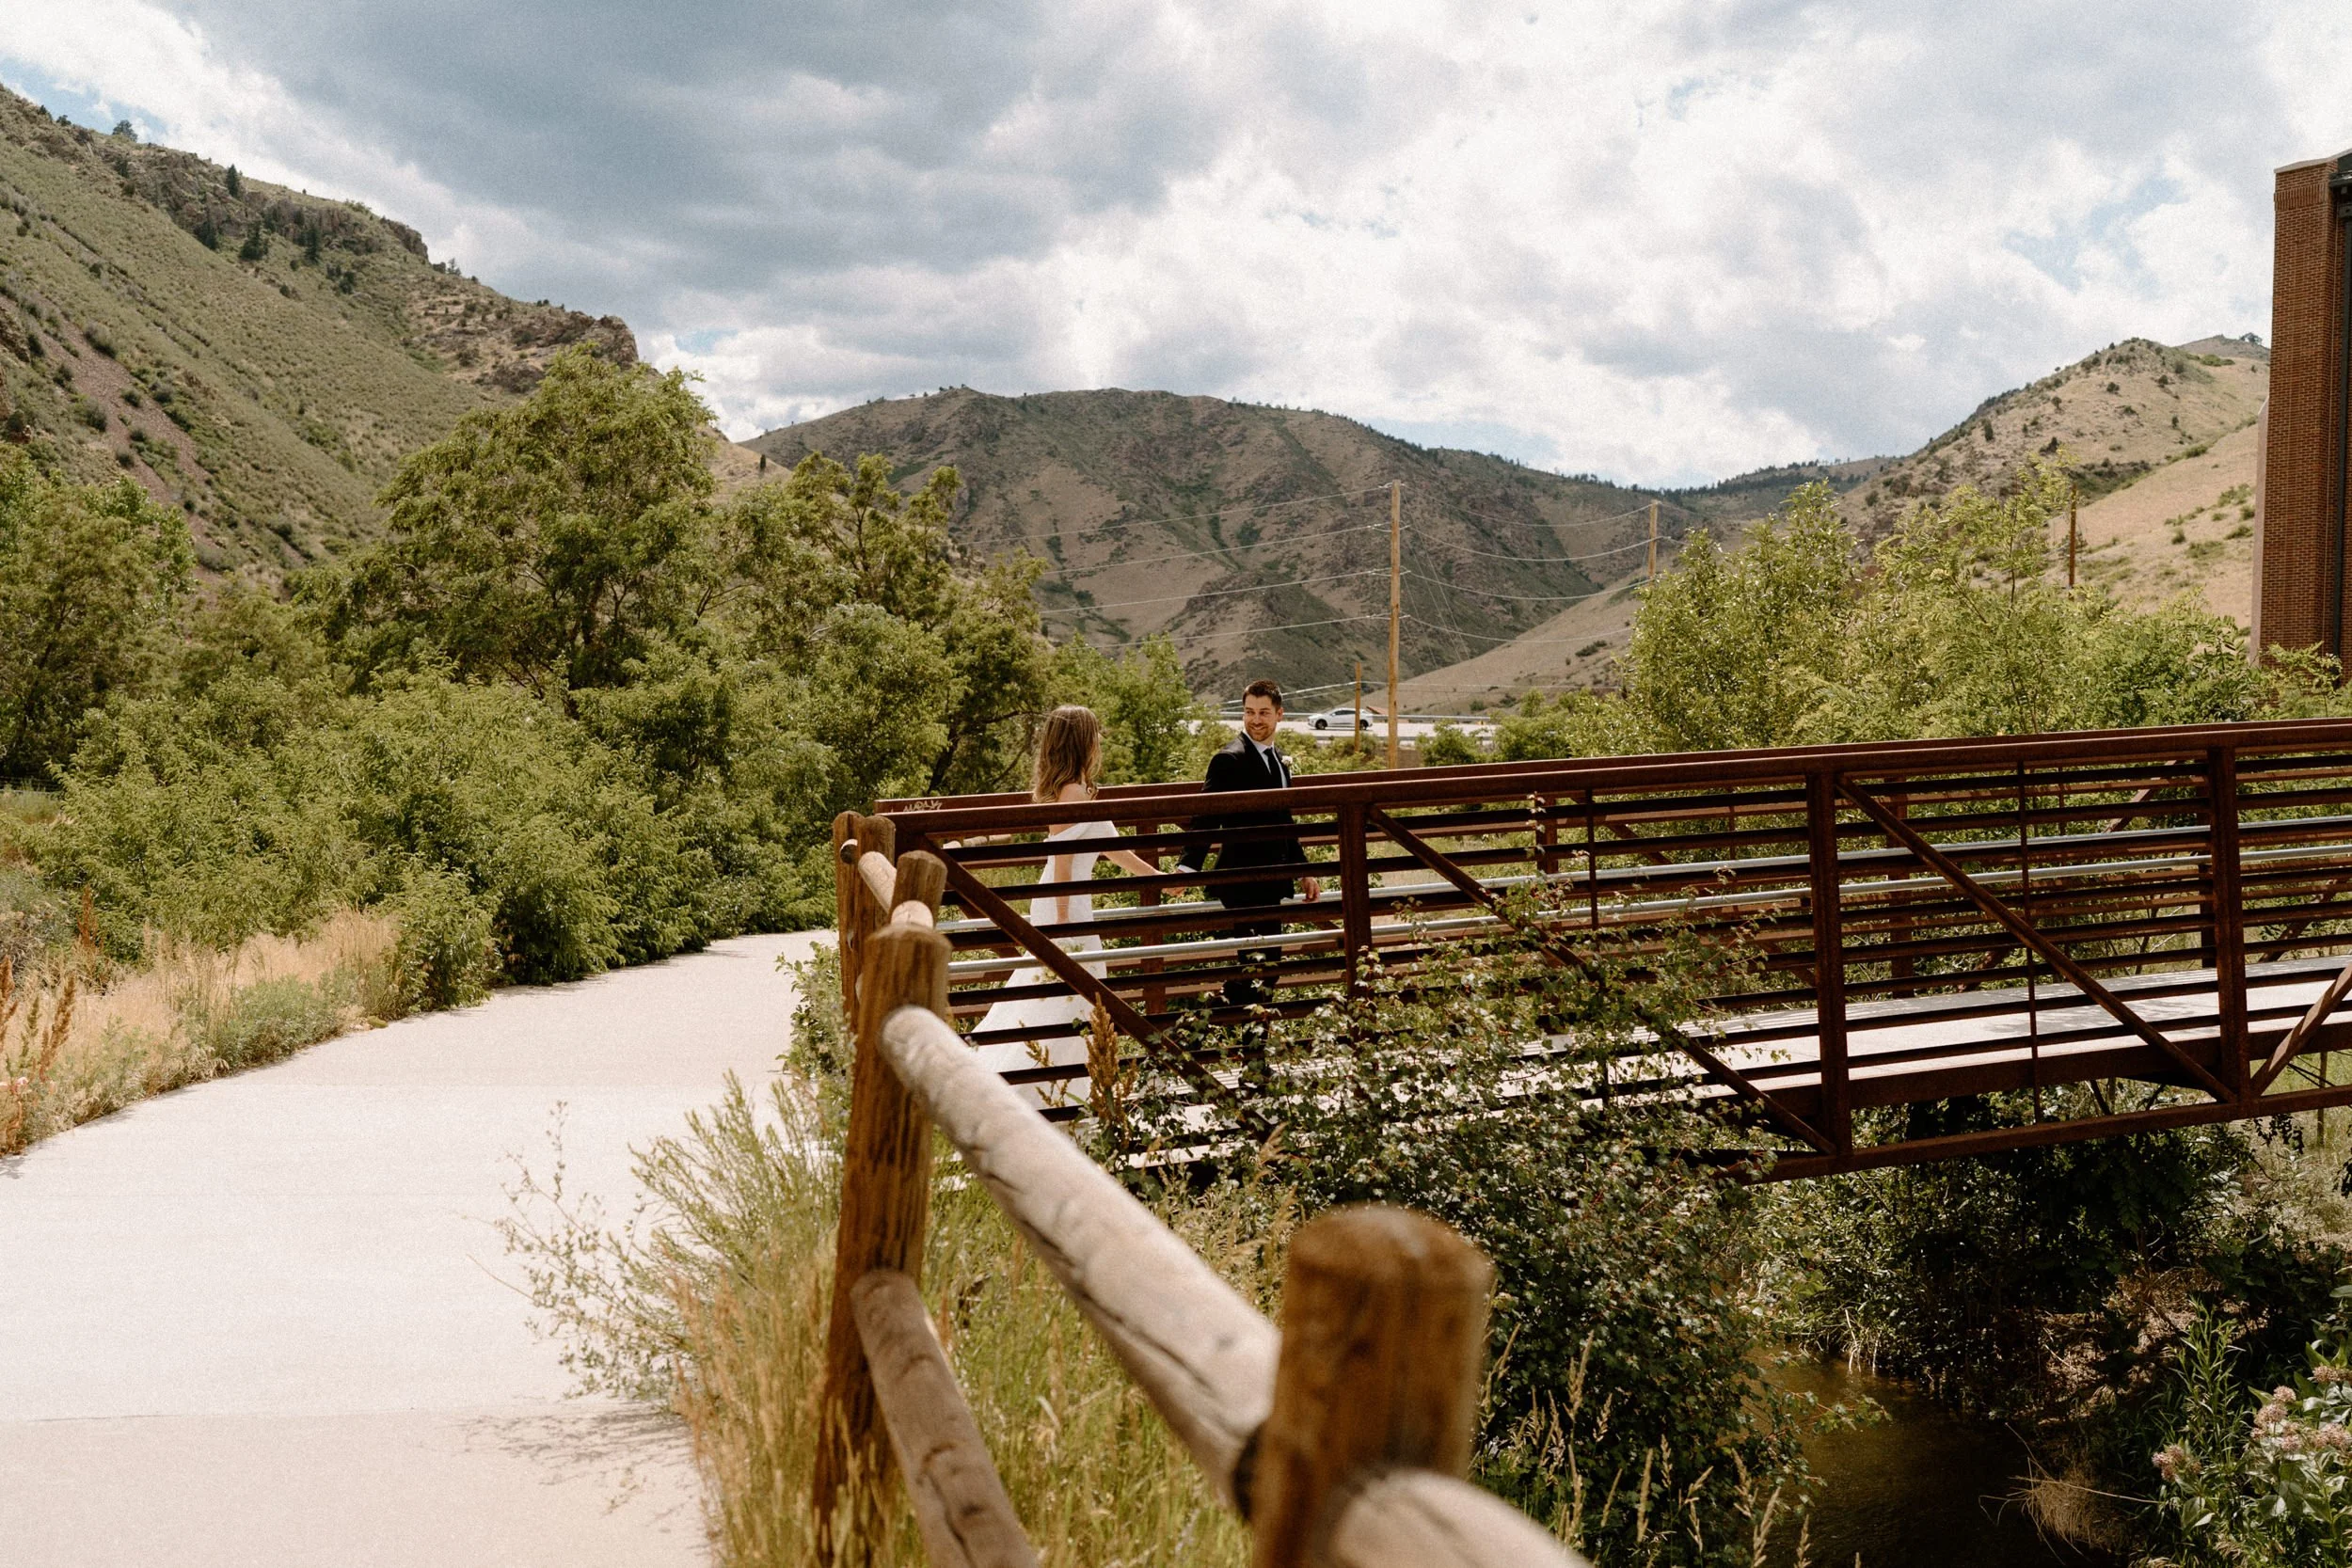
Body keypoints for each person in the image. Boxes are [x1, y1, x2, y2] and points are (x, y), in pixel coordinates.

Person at [971, 705, 1160, 1107]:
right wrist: (1060, 923)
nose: (1099, 741)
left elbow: (1112, 847)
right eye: (1095, 734)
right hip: (1064, 903)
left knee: (1071, 991)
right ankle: (1047, 1091)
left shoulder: (1081, 788)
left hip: (1073, 901)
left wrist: (1155, 877)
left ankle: (1068, 1088)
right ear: (1082, 742)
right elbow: (1061, 860)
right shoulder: (1072, 793)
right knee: (1076, 990)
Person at [1178, 678, 1320, 1010]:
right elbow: (1206, 815)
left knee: (1267, 970)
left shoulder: (1280, 760)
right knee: (1260, 969)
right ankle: (1210, 1023)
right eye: (1249, 712)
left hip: (1271, 881)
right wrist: (1187, 867)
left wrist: (1304, 871)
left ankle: (1217, 1025)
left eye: (1263, 713)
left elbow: (1285, 822)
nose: (1255, 719)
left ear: (1279, 715)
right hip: (1241, 882)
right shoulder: (1229, 759)